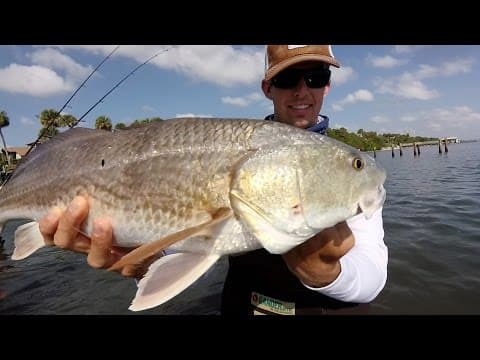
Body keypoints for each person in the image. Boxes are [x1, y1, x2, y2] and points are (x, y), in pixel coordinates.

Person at [39, 45, 388, 315]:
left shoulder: (344, 172)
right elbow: (182, 241)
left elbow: (373, 274)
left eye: (314, 77)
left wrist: (326, 273)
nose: (301, 91)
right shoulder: (226, 148)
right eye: (287, 79)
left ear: (326, 86)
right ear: (268, 87)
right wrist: (142, 258)